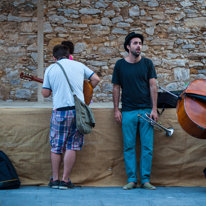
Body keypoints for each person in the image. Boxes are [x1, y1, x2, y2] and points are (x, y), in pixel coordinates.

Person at [42, 44, 100, 190]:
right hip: (77, 111)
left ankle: (55, 180)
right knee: (71, 146)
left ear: (54, 57)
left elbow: (45, 93)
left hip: (60, 111)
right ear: (68, 55)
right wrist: (86, 92)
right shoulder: (79, 65)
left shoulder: (50, 69)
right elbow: (96, 79)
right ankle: (65, 180)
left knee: (56, 146)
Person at [112, 32, 159, 190]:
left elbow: (153, 86)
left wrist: (154, 109)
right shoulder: (120, 65)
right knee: (129, 147)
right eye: (135, 43)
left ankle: (145, 180)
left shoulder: (147, 63)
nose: (139, 45)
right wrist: (116, 110)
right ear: (128, 46)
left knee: (147, 147)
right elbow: (116, 88)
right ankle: (132, 180)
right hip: (128, 111)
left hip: (146, 110)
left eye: (140, 43)